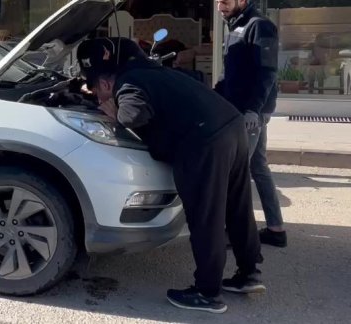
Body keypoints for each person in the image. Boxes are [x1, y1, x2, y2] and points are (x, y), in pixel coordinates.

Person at [80, 37, 264, 314]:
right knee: (237, 206)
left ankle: (207, 293)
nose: (98, 99)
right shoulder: (148, 70)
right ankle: (248, 273)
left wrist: (114, 113)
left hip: (205, 141)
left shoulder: (127, 85)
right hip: (232, 125)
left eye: (96, 93)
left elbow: (133, 116)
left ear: (105, 83)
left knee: (206, 217)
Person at [211, 0, 287, 248]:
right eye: (218, 3)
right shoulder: (236, 26)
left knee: (237, 172)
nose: (221, 8)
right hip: (240, 109)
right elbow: (233, 75)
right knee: (258, 167)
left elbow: (266, 73)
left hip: (250, 113)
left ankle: (238, 235)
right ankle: (276, 229)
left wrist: (254, 110)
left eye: (225, 2)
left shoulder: (260, 26)